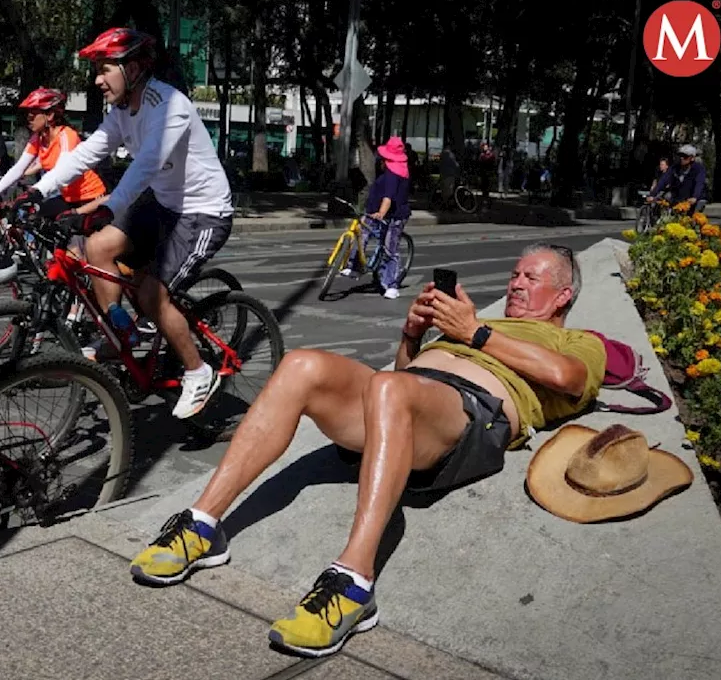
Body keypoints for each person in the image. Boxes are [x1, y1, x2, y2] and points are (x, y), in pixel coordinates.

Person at [129, 243, 606, 658]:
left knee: (391, 388)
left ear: (563, 295)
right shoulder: (477, 325)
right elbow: (408, 370)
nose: (517, 283)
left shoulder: (577, 340)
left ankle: (354, 583)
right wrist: (412, 335)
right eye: (515, 274)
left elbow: (569, 379)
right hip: (408, 399)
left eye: (532, 277)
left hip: (472, 416)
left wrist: (475, 334)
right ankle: (203, 524)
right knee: (301, 365)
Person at [20, 27, 235, 419]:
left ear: (133, 67)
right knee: (97, 248)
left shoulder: (170, 106)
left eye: (105, 70)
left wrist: (109, 206)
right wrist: (39, 191)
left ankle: (198, 371)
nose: (98, 80)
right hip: (164, 204)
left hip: (203, 212)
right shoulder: (121, 112)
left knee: (152, 294)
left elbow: (147, 163)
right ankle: (127, 332)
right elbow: (86, 153)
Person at [0, 87, 107, 212]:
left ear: (49, 115)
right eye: (27, 114)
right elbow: (18, 168)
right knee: (32, 217)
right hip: (68, 197)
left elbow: (62, 171)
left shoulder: (67, 135)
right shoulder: (37, 138)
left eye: (33, 114)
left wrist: (35, 191)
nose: (28, 118)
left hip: (90, 196)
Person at [341, 136, 411, 299]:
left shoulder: (395, 173)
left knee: (389, 248)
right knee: (362, 233)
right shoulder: (391, 169)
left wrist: (381, 213)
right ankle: (355, 266)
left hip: (394, 216)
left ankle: (391, 285)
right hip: (376, 212)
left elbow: (388, 197)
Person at [648, 144, 708, 215]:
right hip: (678, 196)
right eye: (680, 155)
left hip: (693, 197)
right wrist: (652, 194)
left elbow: (699, 183)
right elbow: (663, 180)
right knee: (666, 197)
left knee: (694, 214)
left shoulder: (699, 169)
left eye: (685, 156)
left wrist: (695, 197)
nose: (682, 158)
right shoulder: (674, 168)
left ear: (692, 158)